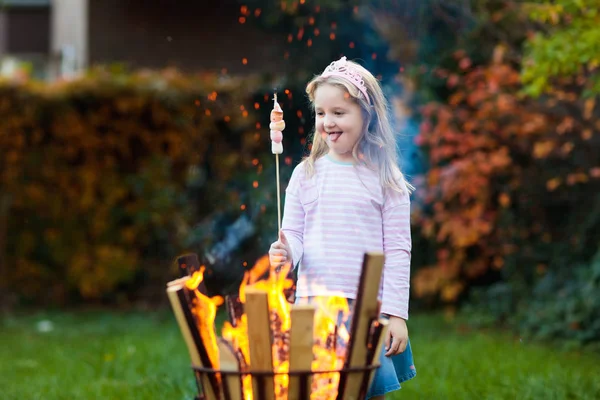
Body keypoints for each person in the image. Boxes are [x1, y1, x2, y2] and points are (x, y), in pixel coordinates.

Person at [269, 56, 417, 399]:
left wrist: (396, 314)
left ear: (366, 115)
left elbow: (397, 251)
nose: (327, 122)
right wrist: (286, 251)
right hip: (315, 306)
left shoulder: (386, 179)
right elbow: (294, 235)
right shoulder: (305, 175)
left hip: (367, 308)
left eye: (339, 112)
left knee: (368, 391)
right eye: (321, 113)